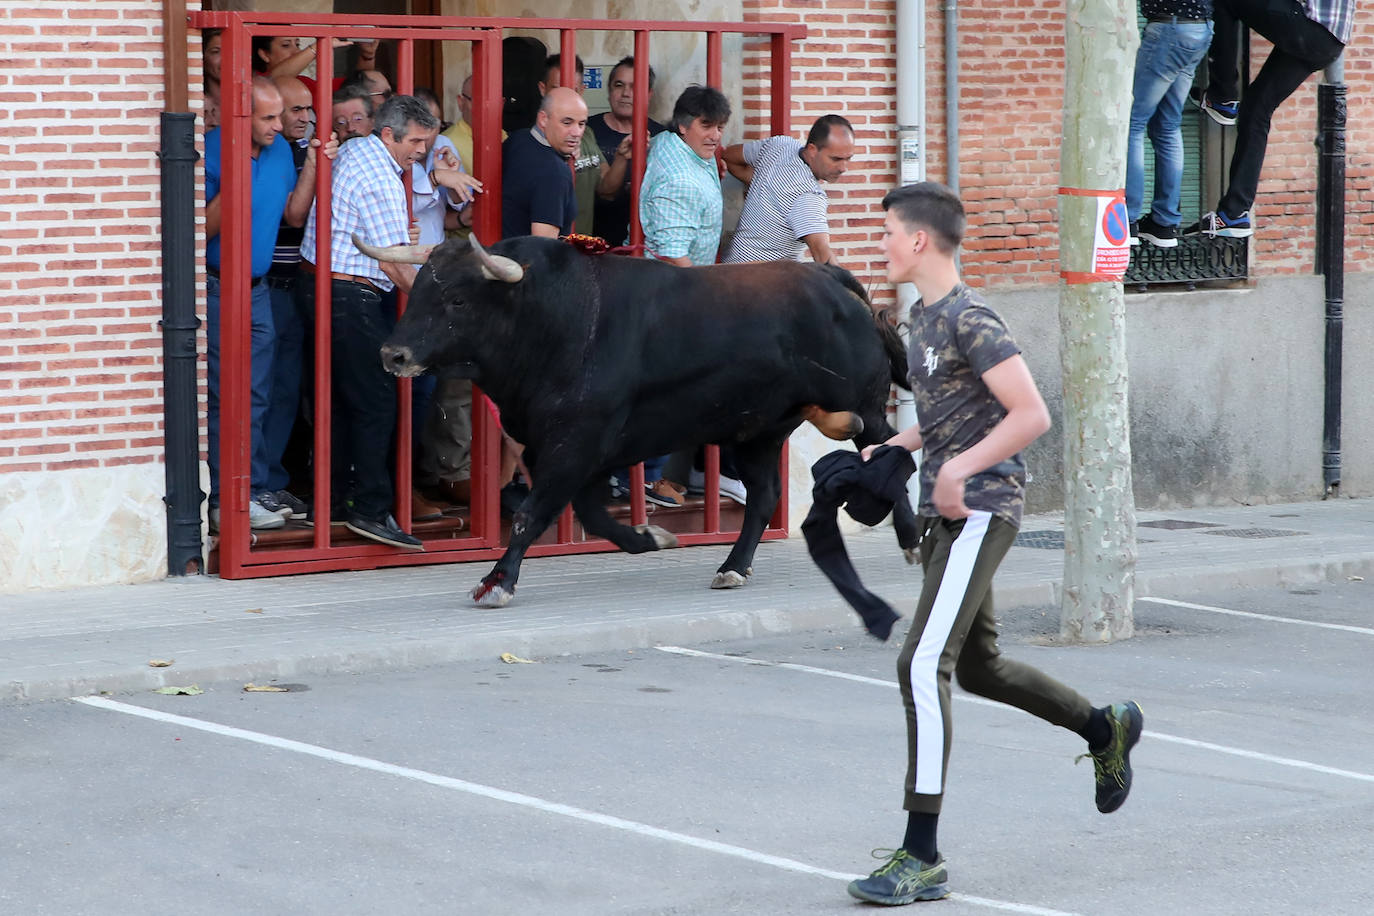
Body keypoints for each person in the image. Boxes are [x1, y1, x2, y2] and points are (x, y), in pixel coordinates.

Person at [846, 182, 1143, 906]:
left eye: (887, 231)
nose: (880, 242)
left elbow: (1030, 412)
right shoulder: (919, 322)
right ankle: (1104, 727)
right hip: (948, 514)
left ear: (919, 241)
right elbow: (954, 415)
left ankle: (922, 854)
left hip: (983, 509)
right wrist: (896, 445)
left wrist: (958, 469)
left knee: (921, 663)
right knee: (977, 668)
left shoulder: (972, 319)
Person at [298, 94, 439, 550]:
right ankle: (372, 509)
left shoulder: (360, 148)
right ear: (387, 135)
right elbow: (396, 264)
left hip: (320, 286)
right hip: (349, 295)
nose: (420, 150)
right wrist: (435, 308)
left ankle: (336, 500)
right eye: (415, 141)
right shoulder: (380, 174)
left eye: (425, 141)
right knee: (378, 401)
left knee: (340, 402)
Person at [204, 76, 334, 532]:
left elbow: (294, 215)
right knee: (225, 395)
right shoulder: (210, 149)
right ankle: (224, 500)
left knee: (257, 394)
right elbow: (199, 228)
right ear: (240, 114)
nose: (279, 126)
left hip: (257, 289)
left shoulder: (280, 151)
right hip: (217, 286)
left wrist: (315, 164)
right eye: (268, 117)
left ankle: (251, 491)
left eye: (281, 115)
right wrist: (240, 169)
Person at [629, 85, 732, 508]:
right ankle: (655, 478)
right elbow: (673, 256)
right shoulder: (681, 178)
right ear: (683, 126)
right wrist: (707, 303)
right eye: (707, 126)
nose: (715, 136)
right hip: (672, 299)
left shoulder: (677, 149)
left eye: (720, 127)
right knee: (679, 389)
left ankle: (660, 475)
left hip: (672, 294)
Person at [1187, 0, 1353, 238]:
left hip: (1311, 26)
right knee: (1255, 109)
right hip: (1330, 40)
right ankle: (1234, 215)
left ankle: (1222, 96)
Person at [256, 76, 327, 521]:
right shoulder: (272, 151)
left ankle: (273, 483)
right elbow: (293, 215)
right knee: (262, 390)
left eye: (308, 110)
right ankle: (257, 485)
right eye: (295, 110)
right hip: (265, 287)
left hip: (299, 287)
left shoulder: (302, 152)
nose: (304, 118)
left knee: (287, 391)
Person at [1126, 2, 1213, 248]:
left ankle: (1127, 218)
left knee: (1132, 122)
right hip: (1199, 29)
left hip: (1169, 29)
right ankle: (1164, 224)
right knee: (1167, 126)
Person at [723, 114, 856, 265]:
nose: (843, 168)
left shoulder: (779, 146)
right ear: (812, 150)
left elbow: (729, 157)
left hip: (731, 270)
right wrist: (842, 287)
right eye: (836, 159)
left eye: (848, 159)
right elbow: (821, 252)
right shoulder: (808, 196)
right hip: (763, 282)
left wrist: (761, 183)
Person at [591, 56, 666, 245]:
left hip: (643, 245)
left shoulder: (662, 137)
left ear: (648, 94)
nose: (626, 93)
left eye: (635, 87)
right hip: (591, 241)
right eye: (619, 85)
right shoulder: (586, 130)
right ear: (609, 91)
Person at [500, 86, 586, 239]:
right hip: (526, 260)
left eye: (581, 124)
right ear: (543, 119)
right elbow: (544, 249)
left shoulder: (518, 139)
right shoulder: (555, 173)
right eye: (567, 123)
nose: (576, 132)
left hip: (499, 254)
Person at [541, 53, 607, 236]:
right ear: (542, 89)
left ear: (582, 91)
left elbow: (605, 188)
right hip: (554, 249)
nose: (566, 99)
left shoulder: (587, 134)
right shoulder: (530, 142)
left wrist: (622, 158)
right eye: (557, 90)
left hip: (582, 245)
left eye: (574, 91)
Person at [202, 28, 221, 132]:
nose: (226, 58)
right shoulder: (198, 102)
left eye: (232, 49)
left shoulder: (251, 99)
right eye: (216, 52)